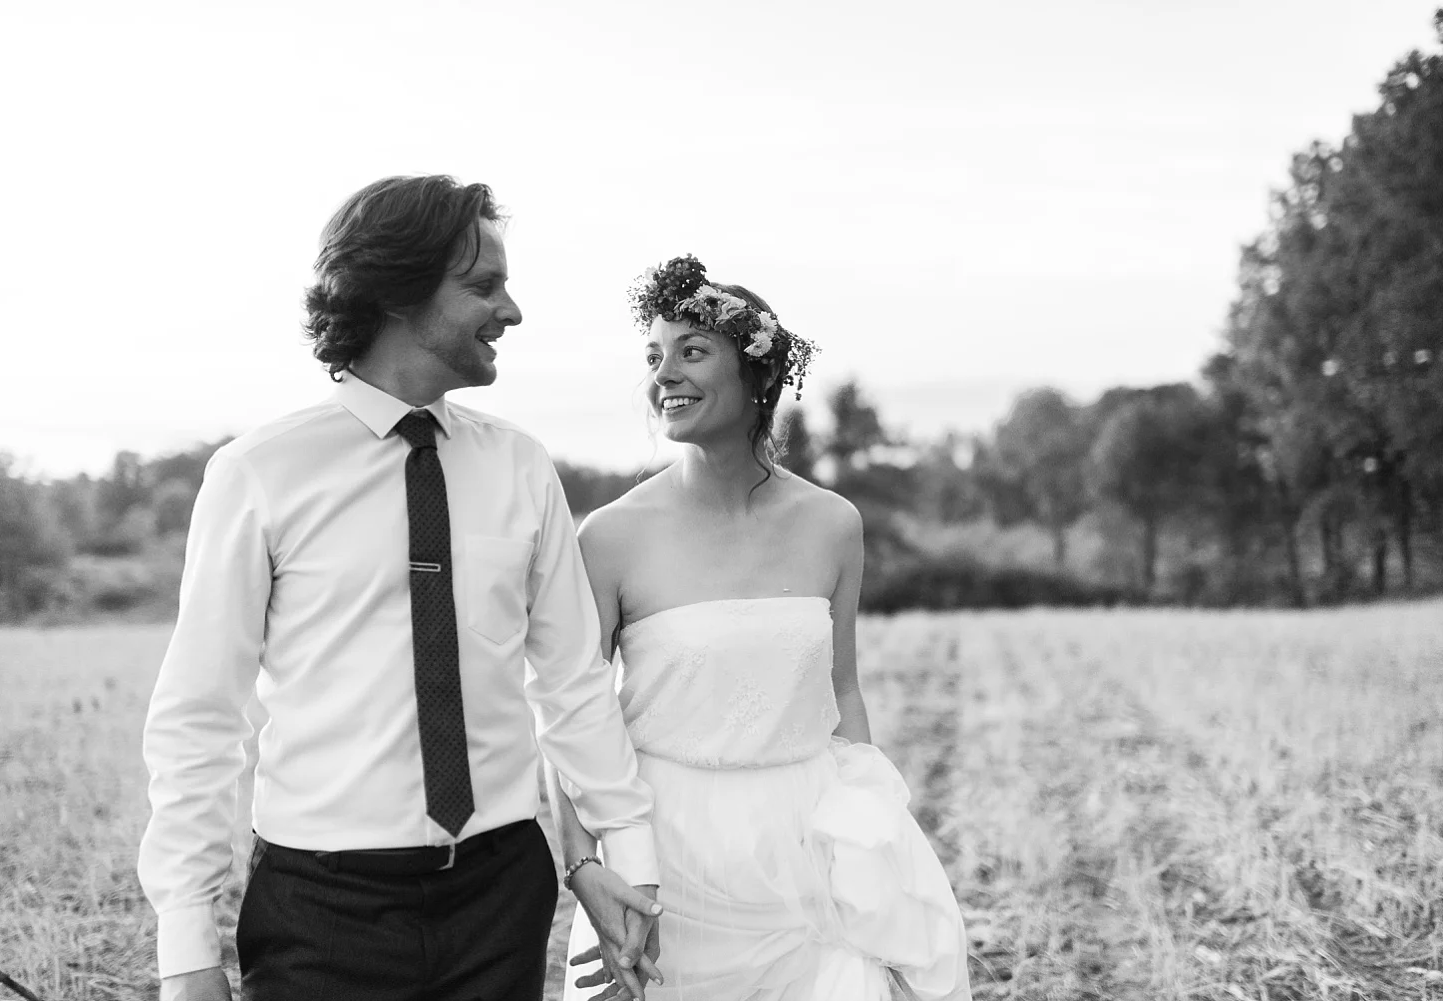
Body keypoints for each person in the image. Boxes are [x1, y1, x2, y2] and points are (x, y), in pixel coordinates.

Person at [138, 174, 663, 1001]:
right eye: (483, 285)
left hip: (501, 897)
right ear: (397, 293)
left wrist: (625, 856)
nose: (512, 311)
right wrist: (185, 947)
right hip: (322, 910)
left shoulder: (521, 466)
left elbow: (572, 682)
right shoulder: (258, 474)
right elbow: (199, 714)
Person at [550, 257, 974, 1000]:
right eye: (653, 355)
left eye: (691, 351)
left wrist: (872, 838)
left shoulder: (833, 524)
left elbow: (843, 689)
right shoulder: (610, 536)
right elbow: (571, 714)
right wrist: (586, 866)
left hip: (804, 845)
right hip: (663, 856)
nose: (663, 375)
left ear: (760, 372)